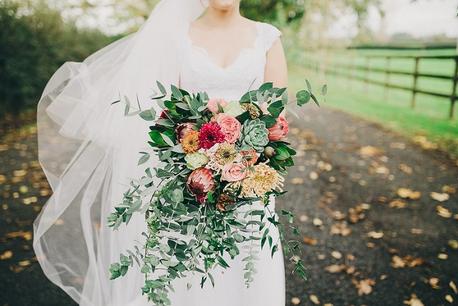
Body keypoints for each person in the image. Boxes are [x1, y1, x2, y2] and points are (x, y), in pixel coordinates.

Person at [34, 0, 288, 305]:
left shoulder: (267, 39)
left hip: (248, 183)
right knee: (186, 272)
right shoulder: (176, 38)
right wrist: (198, 164)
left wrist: (241, 164)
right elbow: (165, 119)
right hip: (187, 182)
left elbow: (274, 118)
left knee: (247, 269)